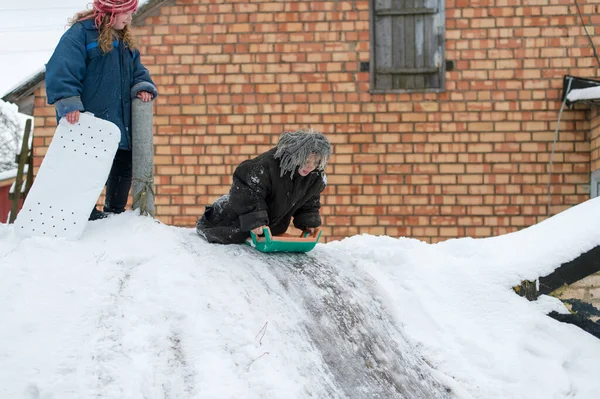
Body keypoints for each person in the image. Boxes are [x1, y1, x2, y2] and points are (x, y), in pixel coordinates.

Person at [45, 0, 157, 220]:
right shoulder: (81, 34)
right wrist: (69, 103)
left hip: (120, 121)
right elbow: (62, 69)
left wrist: (142, 87)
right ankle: (86, 213)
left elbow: (138, 71)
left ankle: (114, 212)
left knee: (122, 165)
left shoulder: (125, 41)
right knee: (89, 168)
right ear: (111, 11)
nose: (130, 18)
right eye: (127, 13)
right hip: (92, 119)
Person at [197, 129, 331, 244]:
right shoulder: (267, 165)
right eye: (307, 161)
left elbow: (308, 202)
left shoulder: (313, 177)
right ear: (295, 155)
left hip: (266, 231)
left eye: (316, 162)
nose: (310, 166)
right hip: (229, 221)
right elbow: (247, 188)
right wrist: (255, 219)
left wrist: (308, 221)